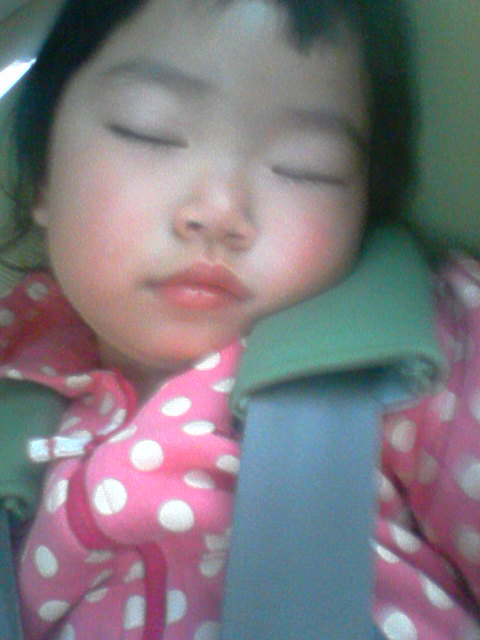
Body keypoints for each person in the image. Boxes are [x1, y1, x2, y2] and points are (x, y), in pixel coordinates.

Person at [0, 0, 479, 639]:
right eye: (148, 130)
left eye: (307, 167)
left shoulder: (422, 358)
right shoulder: (17, 386)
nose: (221, 211)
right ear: (41, 178)